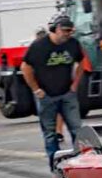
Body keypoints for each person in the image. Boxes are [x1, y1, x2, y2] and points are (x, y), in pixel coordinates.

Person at [21, 13, 84, 169]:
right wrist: (36, 90)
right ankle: (55, 166)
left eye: (70, 30)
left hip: (67, 94)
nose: (68, 33)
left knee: (77, 129)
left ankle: (83, 163)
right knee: (50, 134)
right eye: (65, 30)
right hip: (46, 96)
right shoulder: (39, 46)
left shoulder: (73, 44)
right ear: (54, 29)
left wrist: (75, 84)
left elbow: (82, 62)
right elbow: (25, 67)